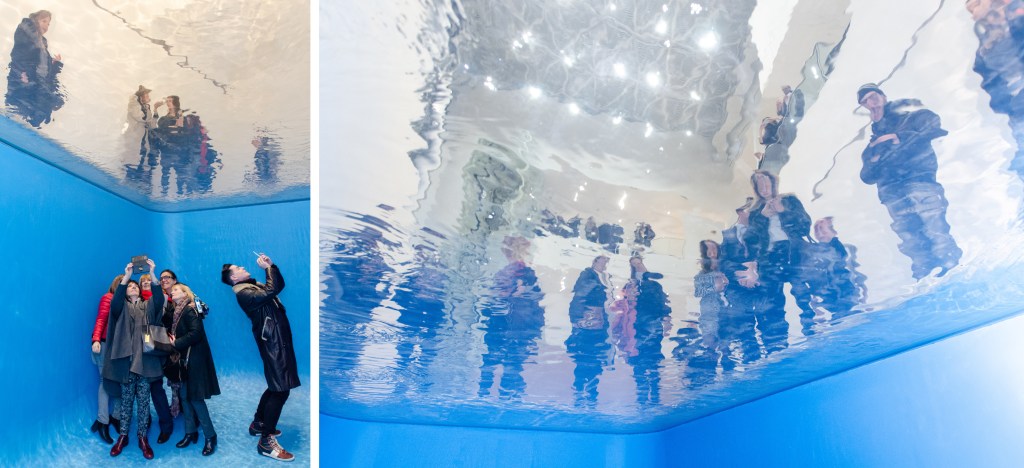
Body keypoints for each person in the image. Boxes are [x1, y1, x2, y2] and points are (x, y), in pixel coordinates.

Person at [857, 83, 962, 279]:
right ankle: (924, 280)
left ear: (884, 96)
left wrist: (898, 137)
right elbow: (866, 176)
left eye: (873, 96)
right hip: (892, 195)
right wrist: (874, 157)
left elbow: (932, 123)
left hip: (919, 182)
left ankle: (953, 273)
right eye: (865, 101)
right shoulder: (872, 145)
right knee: (911, 240)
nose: (870, 103)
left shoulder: (911, 119)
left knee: (936, 232)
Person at [222, 254, 299, 462]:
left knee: (277, 385)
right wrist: (268, 268)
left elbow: (275, 286)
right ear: (234, 278)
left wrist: (271, 267)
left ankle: (258, 423)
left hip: (277, 342)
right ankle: (266, 442)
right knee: (280, 389)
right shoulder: (244, 293)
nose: (242, 267)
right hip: (273, 343)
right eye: (237, 267)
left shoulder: (252, 287)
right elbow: (273, 289)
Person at [103, 260, 165, 459]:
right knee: (127, 402)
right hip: (126, 365)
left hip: (145, 365)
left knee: (144, 403)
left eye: (134, 286)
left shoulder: (148, 306)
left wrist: (153, 272)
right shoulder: (120, 307)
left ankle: (142, 438)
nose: (132, 287)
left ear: (139, 291)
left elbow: (160, 299)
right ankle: (123, 436)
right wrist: (127, 276)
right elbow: (115, 302)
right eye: (129, 286)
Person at [163, 283, 220, 456]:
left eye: (176, 290)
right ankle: (190, 432)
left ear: (185, 293)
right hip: (185, 360)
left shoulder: (189, 309)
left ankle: (210, 436)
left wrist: (176, 343)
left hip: (194, 360)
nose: (172, 291)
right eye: (171, 290)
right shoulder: (176, 311)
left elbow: (196, 333)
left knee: (195, 398)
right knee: (185, 397)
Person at [565, 255, 613, 407]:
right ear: (594, 262)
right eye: (602, 261)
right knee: (584, 357)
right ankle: (581, 393)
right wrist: (577, 319)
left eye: (606, 262)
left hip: (596, 323)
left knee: (593, 359)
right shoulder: (588, 275)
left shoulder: (602, 277)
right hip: (587, 322)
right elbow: (579, 297)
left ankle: (590, 394)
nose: (604, 264)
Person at [6, 10, 63, 127]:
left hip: (35, 81)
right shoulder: (24, 31)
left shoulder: (43, 44)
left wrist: (54, 63)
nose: (46, 25)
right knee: (18, 110)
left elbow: (44, 70)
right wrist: (22, 74)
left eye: (48, 24)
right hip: (22, 77)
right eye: (44, 21)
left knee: (38, 114)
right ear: (35, 20)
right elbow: (22, 55)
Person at [90, 275, 124, 444]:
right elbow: (101, 319)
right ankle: (103, 421)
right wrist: (96, 339)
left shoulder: (127, 303)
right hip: (103, 345)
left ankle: (116, 417)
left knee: (120, 382)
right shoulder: (108, 297)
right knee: (105, 382)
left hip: (119, 348)